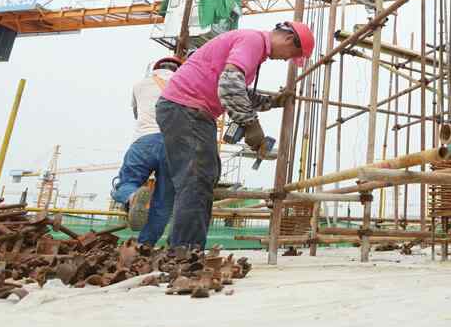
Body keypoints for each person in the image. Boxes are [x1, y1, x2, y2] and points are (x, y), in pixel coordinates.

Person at [156, 22, 315, 249]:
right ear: (289, 40)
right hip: (187, 108)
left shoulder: (253, 46)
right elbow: (229, 84)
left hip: (188, 110)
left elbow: (236, 87)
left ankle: (184, 248)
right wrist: (250, 124)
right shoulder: (253, 41)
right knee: (197, 179)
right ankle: (184, 252)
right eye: (292, 55)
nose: (286, 60)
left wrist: (271, 102)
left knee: (203, 176)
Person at [110, 56, 182, 246]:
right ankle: (145, 245)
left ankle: (132, 196)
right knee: (164, 201)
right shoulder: (183, 85)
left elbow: (136, 113)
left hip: (144, 140)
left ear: (155, 69)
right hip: (173, 145)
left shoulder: (140, 85)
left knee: (126, 183)